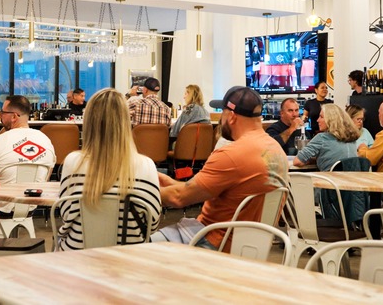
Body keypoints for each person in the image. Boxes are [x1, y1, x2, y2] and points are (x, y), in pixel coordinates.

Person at [155, 86, 288, 250]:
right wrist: (169, 182)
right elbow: (198, 189)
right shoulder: (275, 149)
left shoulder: (231, 154)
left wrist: (140, 188)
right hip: (250, 247)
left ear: (231, 116)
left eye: (222, 111)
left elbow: (178, 198)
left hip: (213, 241)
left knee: (139, 246)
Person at [57, 89, 162, 250]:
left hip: (76, 260)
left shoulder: (72, 162)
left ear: (89, 121)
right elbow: (152, 224)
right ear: (126, 122)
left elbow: (65, 215)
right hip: (131, 261)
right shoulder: (146, 165)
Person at [0, 95, 55, 216]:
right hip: (31, 206)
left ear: (14, 116)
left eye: (3, 112)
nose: (0, 115)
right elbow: (47, 174)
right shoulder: (45, 140)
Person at [293, 104, 360, 171]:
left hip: (330, 180)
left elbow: (297, 161)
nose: (317, 120)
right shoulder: (351, 139)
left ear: (331, 120)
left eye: (321, 117)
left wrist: (311, 160)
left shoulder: (322, 138)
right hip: (352, 179)